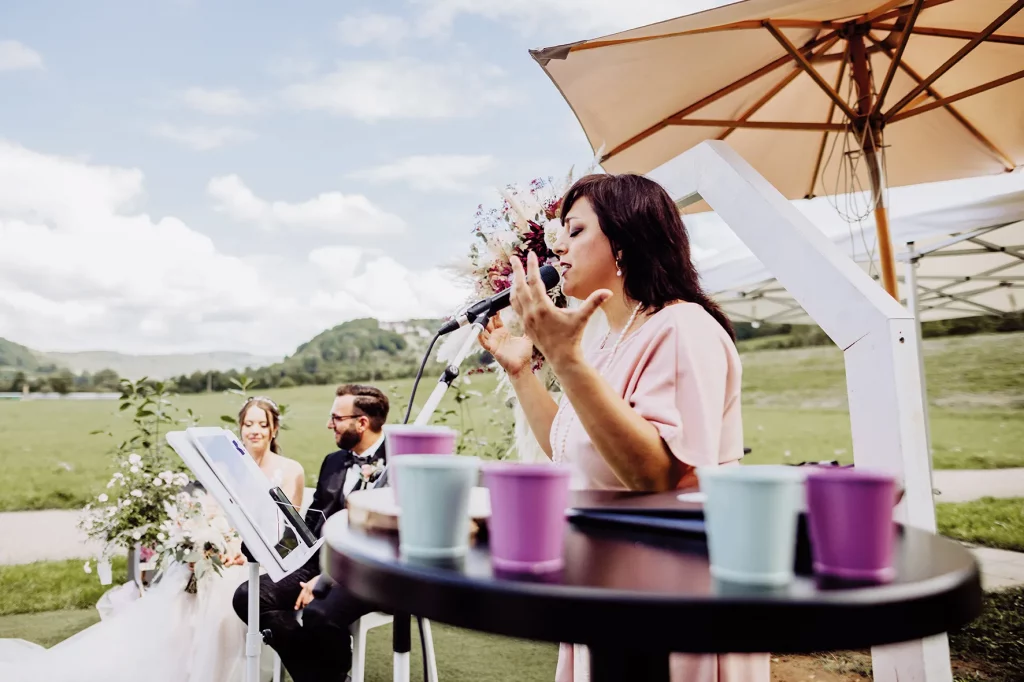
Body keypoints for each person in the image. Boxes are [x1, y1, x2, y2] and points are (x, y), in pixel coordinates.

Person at [478, 173, 771, 682]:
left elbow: (654, 476)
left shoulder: (682, 326)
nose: (559, 248)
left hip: (668, 584)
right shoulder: (605, 342)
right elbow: (575, 448)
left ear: (625, 240)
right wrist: (524, 370)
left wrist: (565, 360)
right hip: (609, 576)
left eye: (575, 231)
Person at [0, 396, 305, 682]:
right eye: (248, 424)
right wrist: (206, 541)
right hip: (222, 549)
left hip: (261, 559)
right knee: (192, 582)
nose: (254, 431)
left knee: (225, 590)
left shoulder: (290, 470)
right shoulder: (225, 466)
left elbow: (287, 531)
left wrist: (243, 550)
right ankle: (182, 667)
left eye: (262, 424)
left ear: (274, 428)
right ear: (240, 427)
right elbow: (211, 510)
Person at [232, 384, 389, 682]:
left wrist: (327, 578)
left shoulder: (396, 462)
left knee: (319, 613)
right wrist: (278, 552)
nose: (330, 424)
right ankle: (319, 676)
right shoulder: (333, 461)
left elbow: (385, 540)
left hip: (366, 571)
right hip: (316, 559)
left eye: (336, 418)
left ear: (362, 422)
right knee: (248, 596)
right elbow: (309, 527)